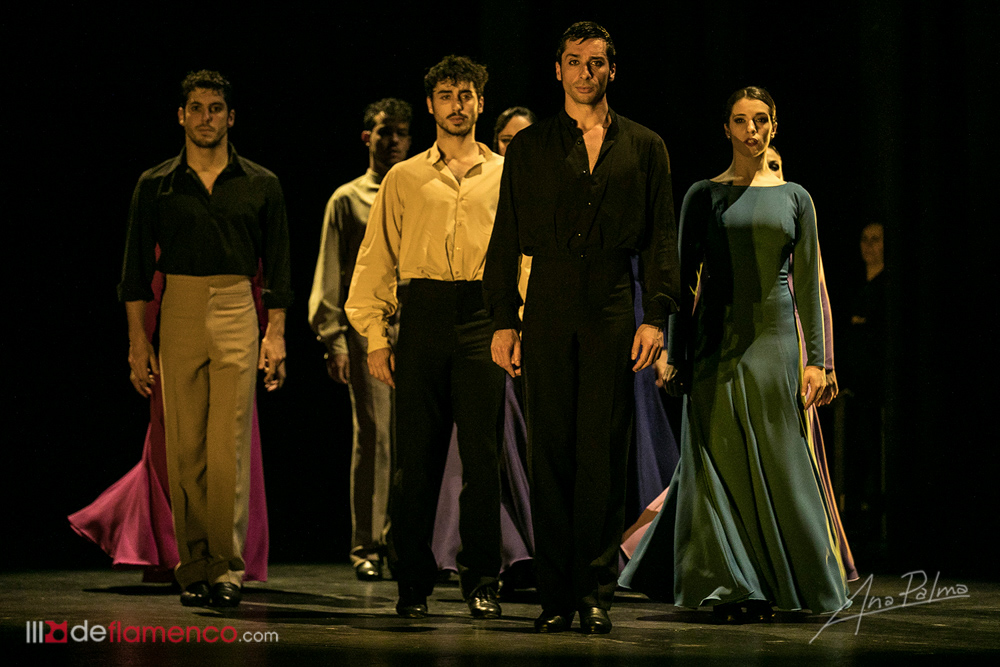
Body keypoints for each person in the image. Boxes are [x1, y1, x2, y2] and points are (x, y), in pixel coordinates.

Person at [620, 87, 850, 622]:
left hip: (774, 345)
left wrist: (819, 360)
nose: (751, 130)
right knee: (714, 463)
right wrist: (673, 352)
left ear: (774, 127)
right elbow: (681, 279)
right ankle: (728, 584)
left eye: (761, 120)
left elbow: (810, 282)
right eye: (741, 121)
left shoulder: (797, 197)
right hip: (713, 346)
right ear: (726, 129)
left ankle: (787, 582)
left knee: (781, 462)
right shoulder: (703, 195)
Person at [484, 22, 679, 634]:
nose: (585, 73)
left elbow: (660, 240)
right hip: (548, 299)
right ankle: (556, 593)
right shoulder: (533, 146)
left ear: (611, 71)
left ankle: (596, 591)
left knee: (604, 447)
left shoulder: (645, 146)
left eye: (596, 63)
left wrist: (656, 317)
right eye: (574, 62)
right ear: (559, 70)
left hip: (614, 299)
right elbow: (506, 236)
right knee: (551, 451)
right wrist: (502, 322)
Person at [118, 70, 291, 608]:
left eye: (216, 108)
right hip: (181, 308)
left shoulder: (261, 182)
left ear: (230, 117)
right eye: (196, 108)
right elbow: (132, 273)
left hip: (240, 305)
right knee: (185, 445)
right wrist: (137, 343)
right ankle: (191, 563)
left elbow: (280, 266)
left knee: (229, 444)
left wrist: (276, 335)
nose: (206, 117)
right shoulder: (156, 183)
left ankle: (227, 568)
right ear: (181, 115)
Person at [345, 55, 506, 620]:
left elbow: (523, 259)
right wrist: (375, 336)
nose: (457, 104)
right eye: (446, 94)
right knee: (417, 460)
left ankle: (483, 579)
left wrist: (518, 326)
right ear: (433, 103)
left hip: (482, 317)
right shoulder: (405, 177)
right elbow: (375, 262)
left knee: (484, 460)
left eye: (466, 94)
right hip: (423, 316)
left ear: (481, 103)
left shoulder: (505, 175)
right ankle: (411, 582)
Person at [69, 267, 270, 584]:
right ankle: (176, 552)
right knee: (177, 450)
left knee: (229, 449)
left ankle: (223, 555)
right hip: (180, 338)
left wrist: (268, 332)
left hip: (233, 331)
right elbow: (151, 274)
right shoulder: (170, 221)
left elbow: (258, 275)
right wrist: (142, 341)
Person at [308, 98, 412, 581]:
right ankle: (367, 544)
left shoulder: (418, 191)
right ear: (367, 137)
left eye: (401, 133)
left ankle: (406, 540)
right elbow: (330, 272)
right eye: (384, 131)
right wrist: (333, 338)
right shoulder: (347, 199)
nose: (393, 140)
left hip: (419, 328)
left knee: (416, 440)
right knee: (375, 438)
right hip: (368, 330)